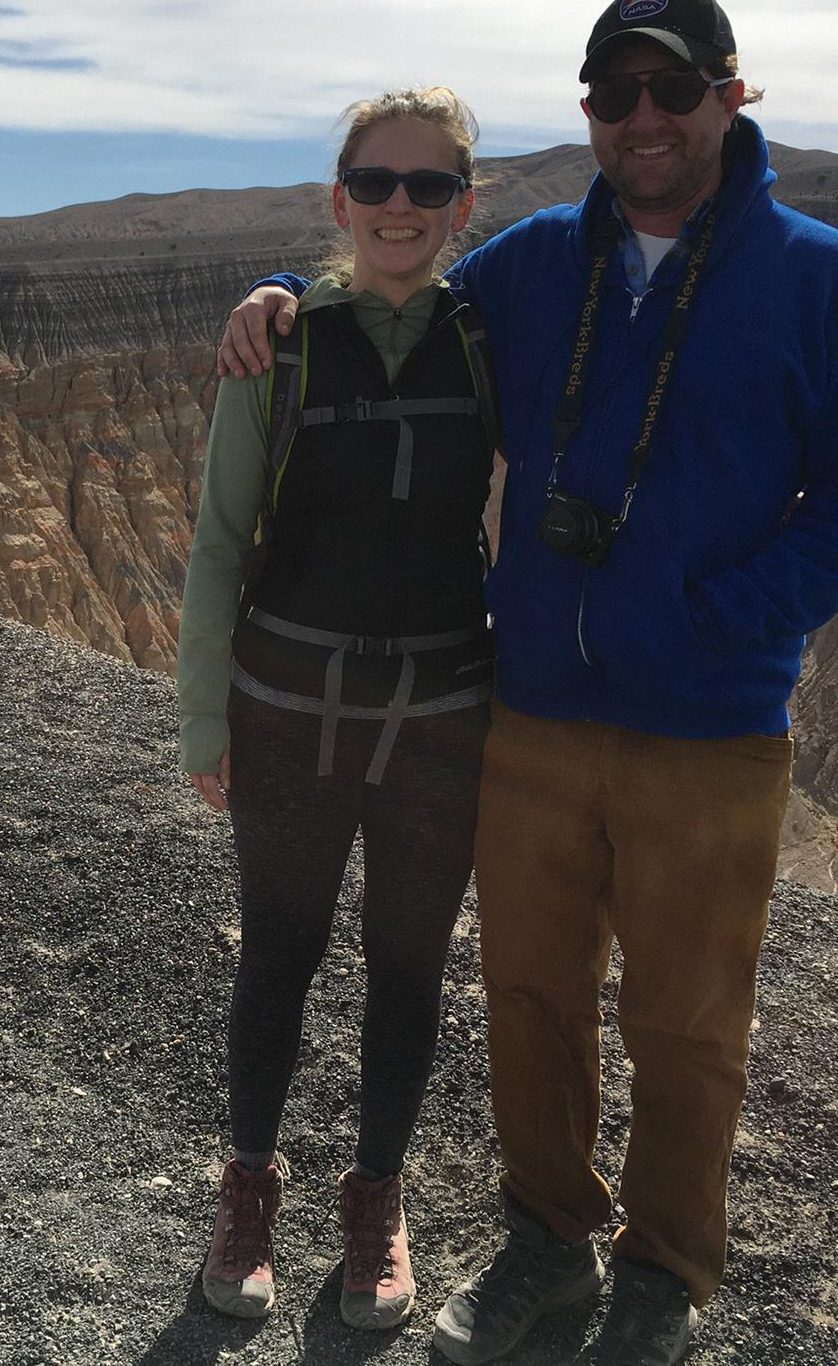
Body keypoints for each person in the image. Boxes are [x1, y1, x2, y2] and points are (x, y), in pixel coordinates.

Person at [216, 0, 838, 1366]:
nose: (646, 119)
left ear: (734, 93)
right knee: (530, 997)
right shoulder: (534, 265)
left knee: (687, 1020)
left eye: (675, 89)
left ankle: (663, 1272)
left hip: (711, 723)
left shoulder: (822, 278)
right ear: (591, 109)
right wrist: (284, 295)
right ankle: (548, 1237)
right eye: (617, 92)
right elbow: (393, 293)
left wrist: (729, 616)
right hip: (534, 708)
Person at [179, 86, 499, 1331]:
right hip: (285, 707)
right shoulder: (284, 341)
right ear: (339, 201)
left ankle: (376, 1202)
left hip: (439, 715)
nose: (400, 209)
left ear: (462, 205)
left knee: (407, 968)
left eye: (427, 188)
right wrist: (203, 721)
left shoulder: (488, 337)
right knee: (280, 955)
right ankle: (248, 1185)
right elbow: (217, 541)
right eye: (376, 185)